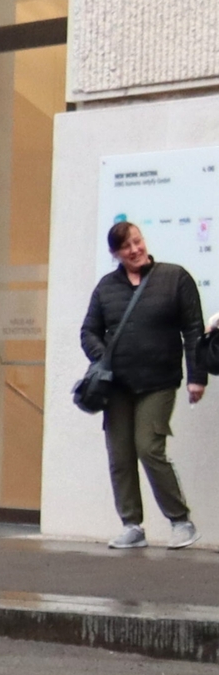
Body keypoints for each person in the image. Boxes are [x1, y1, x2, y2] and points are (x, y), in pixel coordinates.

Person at [80, 220, 204, 549]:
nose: (134, 249)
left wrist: (197, 377)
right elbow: (88, 331)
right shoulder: (107, 287)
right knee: (119, 455)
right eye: (125, 246)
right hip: (116, 385)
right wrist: (102, 354)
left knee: (149, 448)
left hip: (158, 381)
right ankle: (132, 525)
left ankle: (181, 522)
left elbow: (193, 330)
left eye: (137, 241)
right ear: (115, 253)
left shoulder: (174, 278)